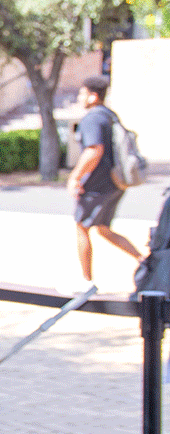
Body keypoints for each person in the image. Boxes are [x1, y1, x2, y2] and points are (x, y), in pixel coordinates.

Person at [66, 75, 144, 292]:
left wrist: (75, 177)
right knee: (103, 229)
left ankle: (86, 281)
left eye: (82, 93)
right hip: (116, 183)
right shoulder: (110, 116)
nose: (80, 97)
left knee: (82, 226)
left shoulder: (93, 118)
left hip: (97, 185)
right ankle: (145, 260)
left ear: (93, 95)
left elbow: (94, 150)